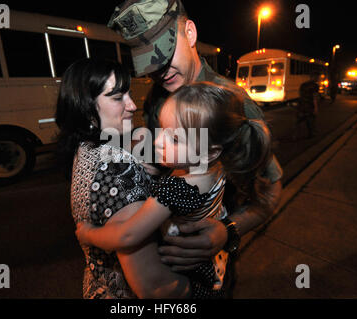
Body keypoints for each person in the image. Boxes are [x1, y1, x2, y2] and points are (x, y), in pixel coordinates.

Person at [101, 0, 283, 291]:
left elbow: (271, 190)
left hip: (211, 266)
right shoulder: (158, 96)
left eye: (163, 51)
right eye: (147, 61)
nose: (158, 70)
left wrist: (227, 233)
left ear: (190, 33)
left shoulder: (232, 106)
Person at [77, 82, 273, 298]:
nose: (159, 142)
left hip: (196, 279)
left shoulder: (178, 189)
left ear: (210, 152)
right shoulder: (215, 165)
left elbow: (128, 235)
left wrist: (89, 234)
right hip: (217, 266)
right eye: (162, 129)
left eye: (175, 139)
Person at [56, 58, 192, 298]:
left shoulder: (84, 148)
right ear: (86, 108)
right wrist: (205, 292)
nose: (131, 105)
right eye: (118, 98)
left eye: (128, 94)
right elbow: (155, 287)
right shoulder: (116, 167)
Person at [295, 72, 320, 139]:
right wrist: (316, 108)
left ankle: (296, 135)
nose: (318, 79)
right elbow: (315, 97)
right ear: (314, 77)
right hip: (309, 105)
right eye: (317, 77)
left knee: (300, 120)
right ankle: (311, 135)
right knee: (310, 121)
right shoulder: (315, 85)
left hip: (302, 105)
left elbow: (300, 94)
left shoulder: (303, 84)